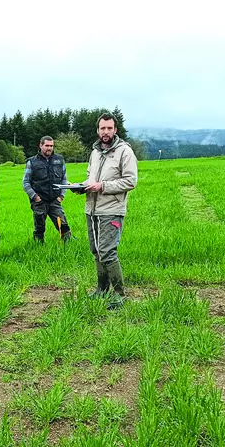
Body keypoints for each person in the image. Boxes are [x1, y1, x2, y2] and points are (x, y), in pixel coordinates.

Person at [80, 113, 138, 304]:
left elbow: (131, 181)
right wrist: (81, 187)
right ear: (98, 130)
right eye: (102, 128)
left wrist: (102, 186)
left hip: (111, 210)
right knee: (96, 250)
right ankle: (102, 290)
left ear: (115, 130)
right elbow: (91, 177)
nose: (106, 132)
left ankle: (120, 295)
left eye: (109, 128)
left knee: (107, 251)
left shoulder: (124, 151)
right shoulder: (95, 152)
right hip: (92, 210)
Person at [22, 135, 72, 242]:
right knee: (39, 228)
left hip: (55, 200)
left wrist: (61, 196)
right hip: (39, 201)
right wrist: (35, 197)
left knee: (63, 226)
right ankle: (38, 247)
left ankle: (69, 245)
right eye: (47, 145)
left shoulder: (59, 160)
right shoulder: (32, 162)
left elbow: (64, 179)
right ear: (41, 145)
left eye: (51, 146)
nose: (49, 148)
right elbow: (26, 182)